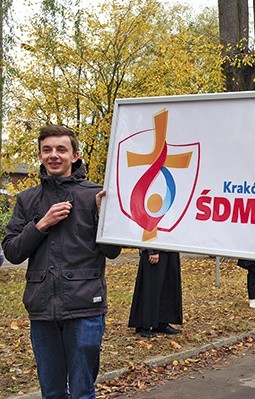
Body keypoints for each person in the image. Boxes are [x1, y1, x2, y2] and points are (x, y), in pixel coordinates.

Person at [2, 125, 121, 398]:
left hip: (85, 308)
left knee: (82, 391)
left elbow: (113, 252)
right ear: (40, 155)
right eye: (47, 150)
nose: (53, 155)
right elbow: (12, 251)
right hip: (42, 308)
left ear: (75, 155)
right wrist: (42, 223)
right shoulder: (27, 199)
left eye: (61, 149)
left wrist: (106, 219)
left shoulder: (96, 196)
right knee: (52, 392)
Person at [128, 249, 183, 337]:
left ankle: (161, 322)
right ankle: (143, 325)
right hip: (155, 247)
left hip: (170, 247)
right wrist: (153, 251)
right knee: (150, 286)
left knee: (167, 284)